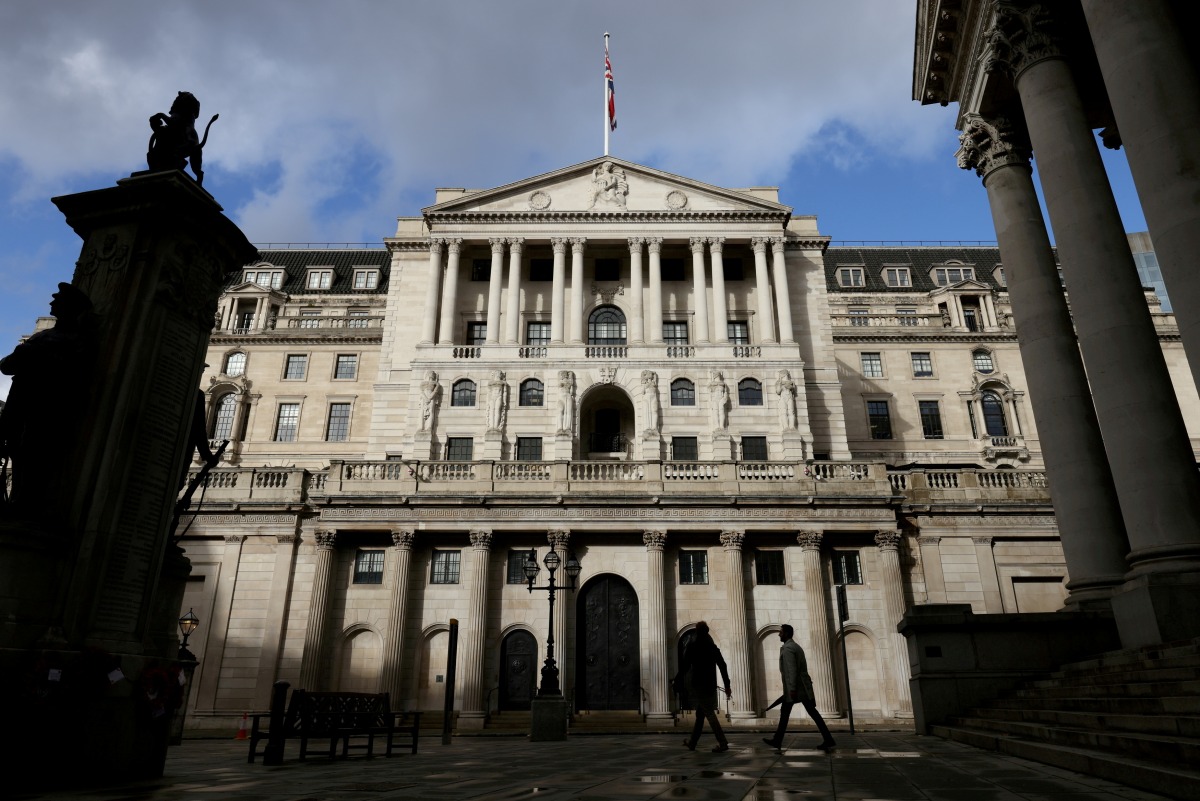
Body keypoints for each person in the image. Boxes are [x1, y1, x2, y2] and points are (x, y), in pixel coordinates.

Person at [763, 623, 836, 751]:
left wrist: (792, 689)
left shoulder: (788, 649)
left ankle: (777, 740)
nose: (779, 634)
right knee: (806, 713)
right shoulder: (796, 646)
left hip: (797, 688)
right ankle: (778, 740)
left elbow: (792, 670)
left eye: (781, 632)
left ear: (786, 633)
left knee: (790, 713)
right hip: (802, 687)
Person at [674, 621, 732, 752]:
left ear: (697, 631)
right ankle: (692, 743)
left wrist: (677, 681)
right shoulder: (713, 647)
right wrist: (727, 685)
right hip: (710, 684)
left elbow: (685, 667)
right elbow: (723, 666)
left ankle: (723, 742)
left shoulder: (693, 646)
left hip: (699, 684)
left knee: (709, 713)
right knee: (701, 714)